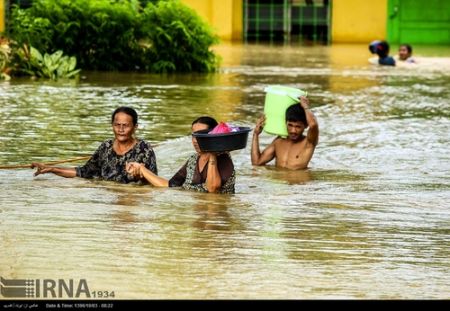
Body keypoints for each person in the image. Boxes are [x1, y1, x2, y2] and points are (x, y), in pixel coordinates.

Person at [32, 106, 157, 183]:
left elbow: (154, 183)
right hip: (108, 198)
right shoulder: (106, 147)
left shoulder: (144, 149)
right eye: (117, 125)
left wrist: (140, 177)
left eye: (126, 126)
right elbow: (84, 172)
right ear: (112, 126)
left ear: (135, 127)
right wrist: (52, 169)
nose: (121, 129)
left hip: (132, 199)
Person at [126, 116, 235, 194]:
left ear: (213, 136)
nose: (195, 141)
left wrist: (212, 154)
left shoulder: (223, 158)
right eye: (193, 136)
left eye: (201, 135)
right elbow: (170, 185)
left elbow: (213, 190)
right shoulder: (193, 159)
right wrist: (142, 169)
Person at [251, 96, 319, 170]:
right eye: (290, 125)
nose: (293, 130)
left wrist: (305, 107)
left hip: (298, 181)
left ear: (305, 126)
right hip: (279, 181)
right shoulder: (278, 141)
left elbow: (313, 125)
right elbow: (257, 163)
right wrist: (256, 134)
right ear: (285, 123)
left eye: (298, 127)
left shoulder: (309, 142)